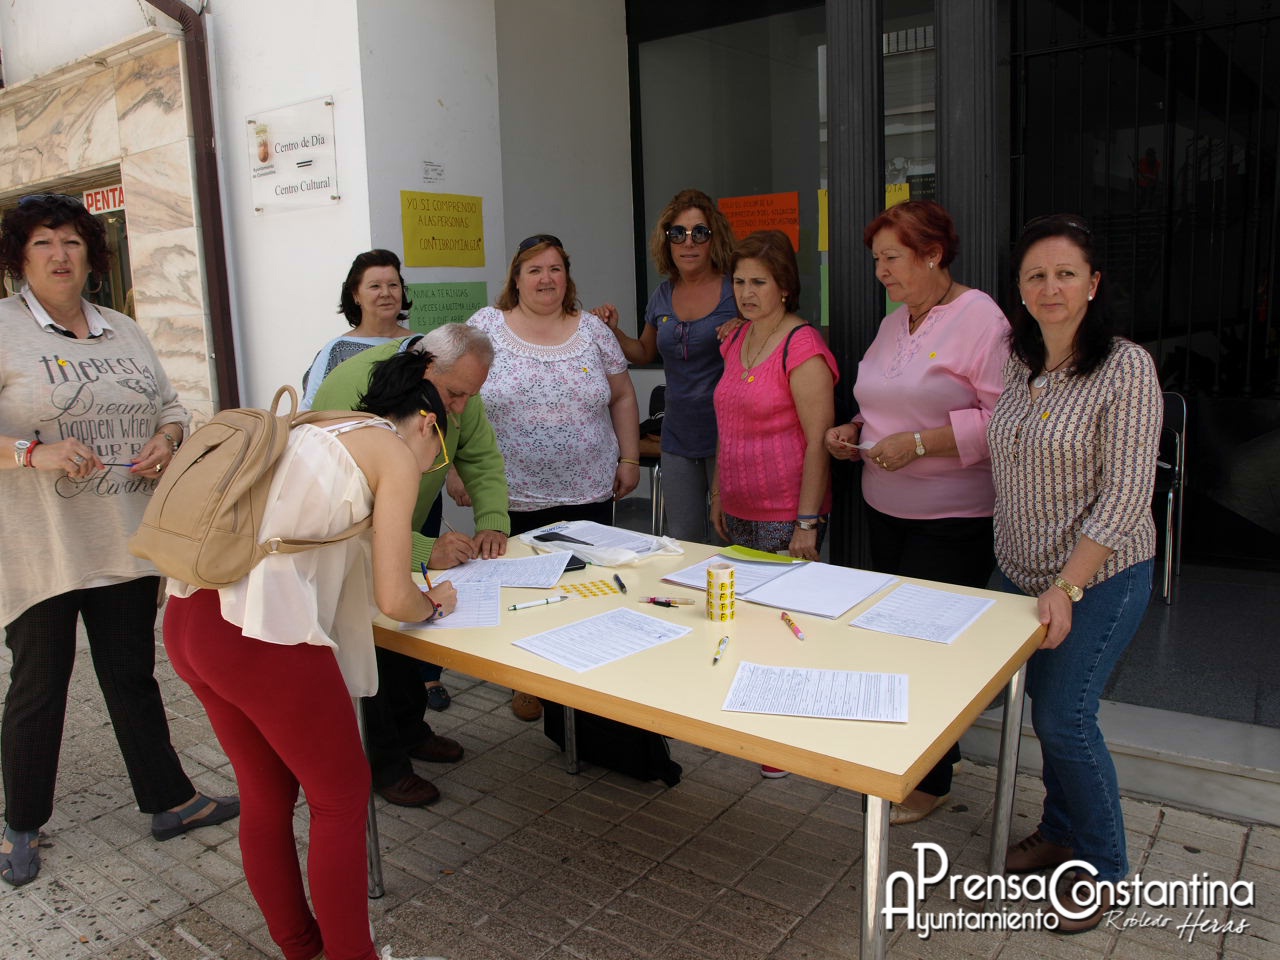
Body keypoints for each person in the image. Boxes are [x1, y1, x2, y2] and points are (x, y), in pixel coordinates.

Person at [165, 349, 457, 960]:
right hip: (260, 638)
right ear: (427, 423)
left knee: (266, 795)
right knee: (341, 797)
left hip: (191, 617)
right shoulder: (394, 453)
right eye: (440, 454)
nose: (432, 465)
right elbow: (395, 597)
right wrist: (433, 603)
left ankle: (300, 946)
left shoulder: (317, 427)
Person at [0, 193, 238, 888]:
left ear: (92, 256)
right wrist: (33, 453)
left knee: (132, 675)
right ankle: (21, 825)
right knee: (39, 686)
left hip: (125, 538)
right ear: (20, 256)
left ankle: (169, 801)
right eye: (44, 242)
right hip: (43, 547)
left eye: (73, 242)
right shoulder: (5, 328)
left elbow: (170, 405)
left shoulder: (123, 330)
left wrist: (168, 437)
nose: (60, 255)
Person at [991, 213, 1160, 933]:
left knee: (1066, 716)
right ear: (1020, 288)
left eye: (1065, 273)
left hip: (1101, 575)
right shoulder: (1018, 360)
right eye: (1036, 275)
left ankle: (1103, 865)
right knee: (1044, 709)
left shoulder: (1126, 367)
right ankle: (1060, 828)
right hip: (1021, 573)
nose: (1050, 287)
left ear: (1093, 284)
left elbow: (1126, 493)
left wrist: (1067, 585)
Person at [824, 200, 1009, 823]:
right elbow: (881, 400)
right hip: (885, 507)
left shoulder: (981, 319)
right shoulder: (895, 321)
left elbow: (1003, 420)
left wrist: (922, 444)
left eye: (892, 258)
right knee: (895, 644)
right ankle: (904, 763)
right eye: (877, 259)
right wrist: (853, 429)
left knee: (928, 649)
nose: (881, 271)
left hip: (952, 517)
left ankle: (931, 782)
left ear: (932, 254)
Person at [312, 326, 528, 805]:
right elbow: (348, 521)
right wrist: (423, 554)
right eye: (455, 396)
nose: (461, 410)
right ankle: (385, 765)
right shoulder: (354, 392)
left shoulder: (454, 391)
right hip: (346, 548)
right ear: (426, 371)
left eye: (471, 396)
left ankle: (411, 732)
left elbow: (482, 458)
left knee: (404, 643)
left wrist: (493, 522)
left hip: (393, 533)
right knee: (372, 650)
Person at [712, 230, 837, 778]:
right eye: (739, 282)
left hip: (788, 511)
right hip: (739, 504)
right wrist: (719, 492)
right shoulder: (734, 338)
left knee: (785, 627)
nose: (746, 292)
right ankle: (754, 725)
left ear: (784, 285)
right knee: (747, 621)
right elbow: (727, 422)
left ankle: (786, 741)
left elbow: (818, 440)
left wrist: (806, 523)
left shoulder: (801, 345)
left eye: (759, 282)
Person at [466, 234, 641, 532]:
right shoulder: (484, 327)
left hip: (589, 493)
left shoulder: (594, 331)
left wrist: (630, 460)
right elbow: (457, 399)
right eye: (534, 270)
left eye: (555, 269)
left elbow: (623, 396)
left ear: (566, 278)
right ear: (516, 280)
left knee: (587, 564)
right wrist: (458, 469)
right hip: (505, 496)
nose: (546, 278)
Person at [600, 188, 738, 541]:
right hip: (677, 434)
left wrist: (745, 328)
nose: (688, 242)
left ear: (715, 239)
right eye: (678, 233)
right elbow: (644, 352)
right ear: (667, 241)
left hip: (728, 435)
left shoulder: (735, 291)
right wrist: (614, 331)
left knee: (728, 538)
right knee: (683, 539)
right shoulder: (662, 294)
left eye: (699, 232)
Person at [300, 249, 411, 409]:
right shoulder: (337, 351)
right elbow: (311, 410)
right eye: (375, 286)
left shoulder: (422, 344)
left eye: (393, 285)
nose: (386, 293)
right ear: (356, 295)